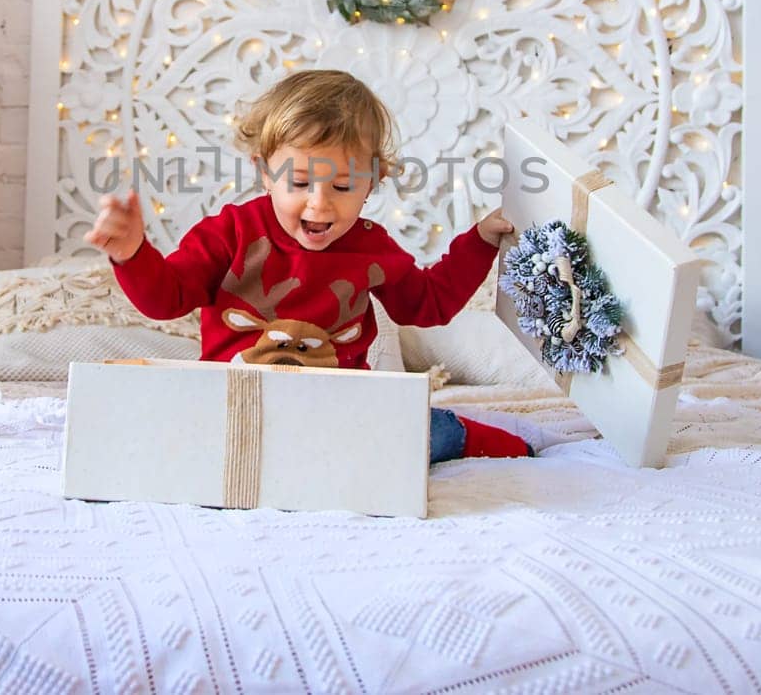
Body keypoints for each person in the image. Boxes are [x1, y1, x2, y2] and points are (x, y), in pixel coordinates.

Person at [84, 68, 533, 462]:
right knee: (156, 427)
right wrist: (133, 253)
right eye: (298, 182)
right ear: (265, 172)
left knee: (421, 430)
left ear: (371, 182)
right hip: (235, 408)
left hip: (338, 415)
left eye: (341, 186)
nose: (319, 203)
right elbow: (167, 299)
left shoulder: (369, 248)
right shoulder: (232, 233)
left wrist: (479, 242)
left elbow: (429, 304)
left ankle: (525, 445)